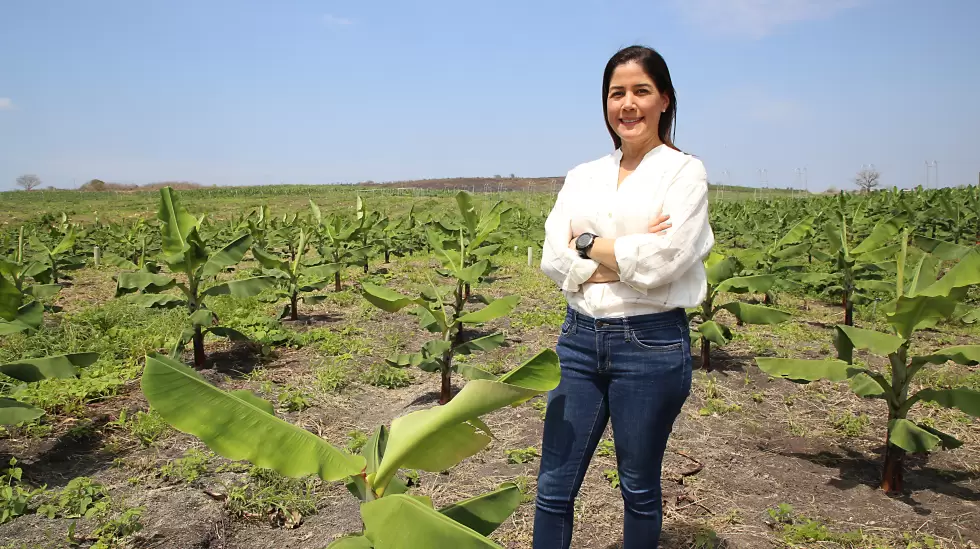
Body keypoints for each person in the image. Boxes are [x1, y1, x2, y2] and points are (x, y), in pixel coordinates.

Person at [534, 44, 715, 549]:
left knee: (638, 487)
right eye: (617, 93)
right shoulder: (583, 175)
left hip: (650, 345)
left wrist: (587, 243)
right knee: (553, 486)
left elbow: (667, 261)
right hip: (578, 342)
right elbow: (553, 257)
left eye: (641, 91)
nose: (627, 104)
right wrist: (626, 254)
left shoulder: (683, 173)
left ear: (664, 100)